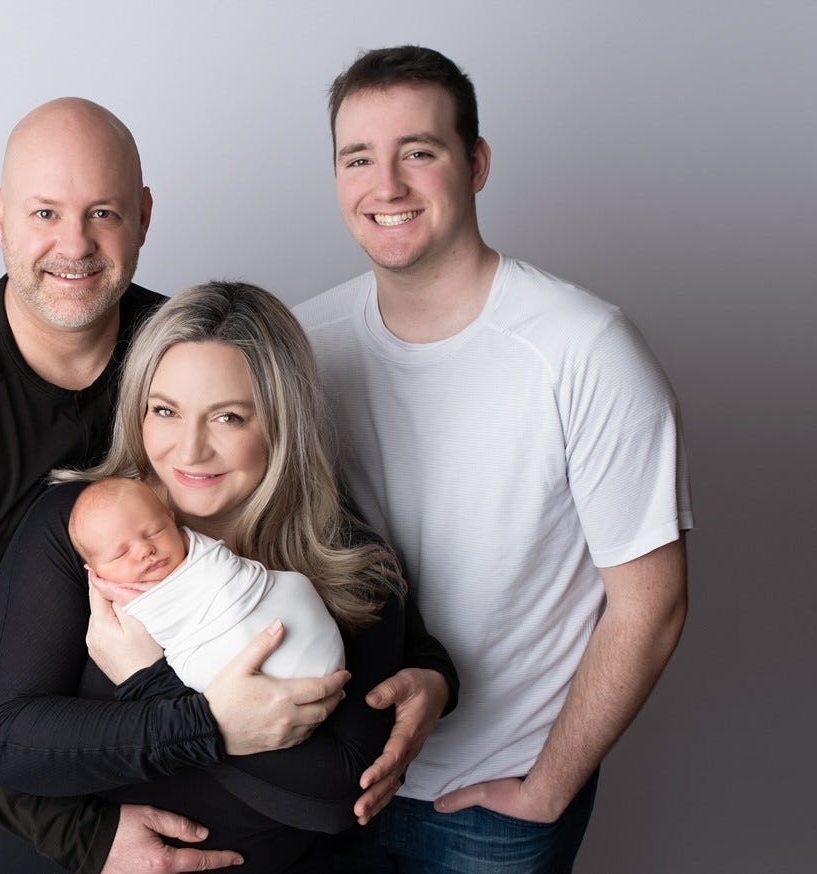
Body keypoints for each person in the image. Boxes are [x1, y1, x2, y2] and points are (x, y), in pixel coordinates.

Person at [0, 98, 456, 874]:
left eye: (101, 212)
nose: (73, 244)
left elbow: (336, 552)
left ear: (141, 217)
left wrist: (436, 668)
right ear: (0, 219)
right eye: (44, 212)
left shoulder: (193, 341)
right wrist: (106, 818)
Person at [295, 45, 693, 872]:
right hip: (327, 787)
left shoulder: (586, 349)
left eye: (420, 152)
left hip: (490, 802)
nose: (387, 185)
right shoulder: (303, 347)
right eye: (359, 158)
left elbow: (651, 606)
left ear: (476, 164)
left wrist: (549, 787)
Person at [0, 281, 441, 872]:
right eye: (165, 411)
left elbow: (334, 797)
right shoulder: (84, 526)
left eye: (228, 417)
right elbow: (12, 743)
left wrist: (154, 682)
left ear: (281, 423)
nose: (189, 451)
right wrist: (212, 726)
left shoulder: (351, 569)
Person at [69, 476, 347, 691]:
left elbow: (228, 577)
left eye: (155, 531)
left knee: (296, 586)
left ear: (173, 521)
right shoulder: (118, 613)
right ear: (95, 573)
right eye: (121, 553)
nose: (145, 550)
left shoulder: (204, 554)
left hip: (289, 620)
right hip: (234, 673)